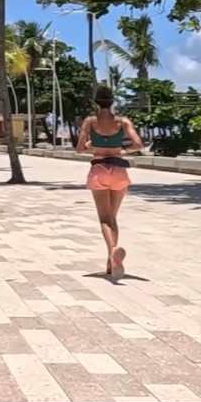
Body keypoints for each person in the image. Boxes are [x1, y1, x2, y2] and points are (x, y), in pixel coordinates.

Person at [76, 85, 144, 279]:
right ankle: (111, 262)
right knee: (113, 217)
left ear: (96, 102)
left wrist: (92, 144)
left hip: (99, 169)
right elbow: (138, 144)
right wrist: (121, 149)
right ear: (112, 102)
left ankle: (113, 250)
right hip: (119, 170)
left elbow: (79, 149)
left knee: (105, 219)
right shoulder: (123, 121)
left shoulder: (90, 121)